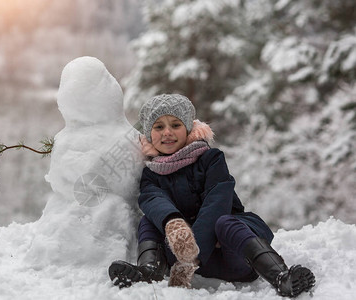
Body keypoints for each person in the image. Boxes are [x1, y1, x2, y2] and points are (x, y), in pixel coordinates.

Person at [108, 94, 315, 297]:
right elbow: (151, 198)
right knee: (150, 220)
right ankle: (148, 271)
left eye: (176, 125)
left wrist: (190, 257)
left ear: (188, 128)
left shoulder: (210, 159)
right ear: (149, 133)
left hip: (233, 255)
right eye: (159, 127)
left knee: (225, 222)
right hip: (184, 257)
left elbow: (217, 202)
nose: (167, 132)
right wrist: (173, 223)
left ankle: (281, 277)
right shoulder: (151, 173)